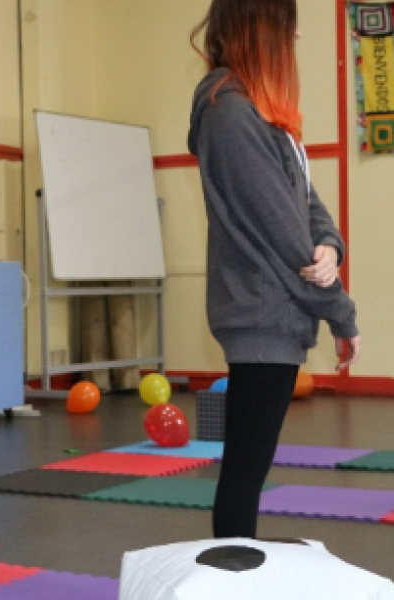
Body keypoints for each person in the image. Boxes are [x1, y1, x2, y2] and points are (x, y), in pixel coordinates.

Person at [187, 0, 361, 539]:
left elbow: (305, 205)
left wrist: (331, 245)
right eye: (288, 27)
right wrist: (342, 314)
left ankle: (236, 569)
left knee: (250, 466)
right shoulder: (231, 113)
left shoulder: (264, 113)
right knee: (244, 469)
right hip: (261, 315)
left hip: (280, 313)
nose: (298, 37)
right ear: (261, 32)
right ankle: (231, 578)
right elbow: (286, 236)